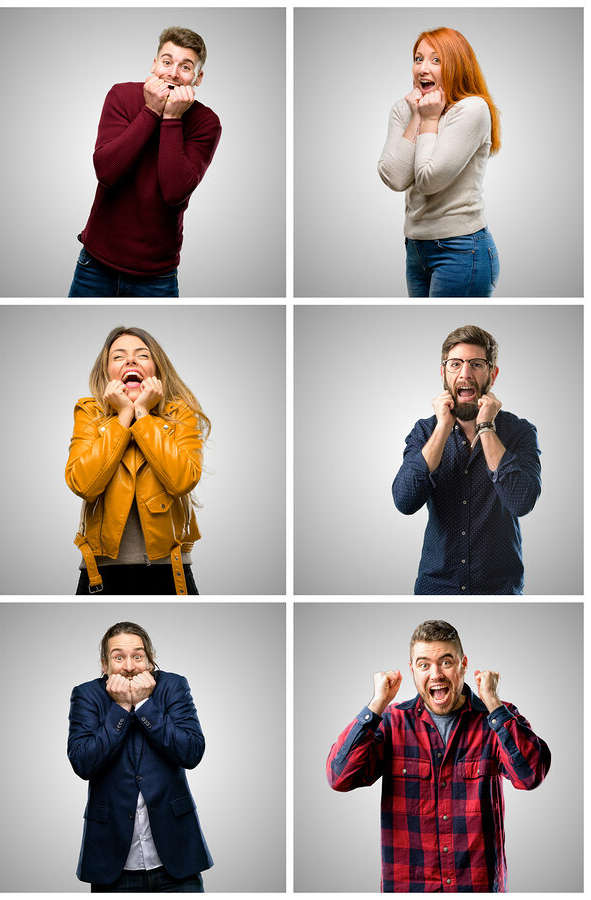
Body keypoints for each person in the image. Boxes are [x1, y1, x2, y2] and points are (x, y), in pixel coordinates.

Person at [327, 619, 550, 892]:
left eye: (446, 662)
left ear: (463, 664)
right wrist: (376, 704)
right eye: (424, 664)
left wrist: (493, 702)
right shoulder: (390, 722)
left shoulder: (497, 718)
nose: (436, 674)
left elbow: (530, 775)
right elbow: (339, 777)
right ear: (412, 670)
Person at [68, 26, 222, 297]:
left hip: (157, 275)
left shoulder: (206, 123)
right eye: (166, 62)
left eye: (185, 67)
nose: (173, 73)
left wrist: (172, 118)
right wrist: (151, 111)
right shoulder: (122, 96)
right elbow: (106, 171)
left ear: (198, 79)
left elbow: (174, 192)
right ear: (154, 65)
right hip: (95, 265)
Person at [392, 325, 540, 593]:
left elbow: (521, 501)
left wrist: (486, 429)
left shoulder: (520, 432)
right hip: (436, 588)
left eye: (476, 364)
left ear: (492, 374)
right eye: (455, 364)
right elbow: (404, 501)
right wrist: (442, 428)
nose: (465, 373)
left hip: (499, 592)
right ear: (442, 373)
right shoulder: (424, 432)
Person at [68, 622, 213, 891]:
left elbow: (192, 751)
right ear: (104, 665)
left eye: (137, 656)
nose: (129, 666)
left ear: (150, 660)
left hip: (176, 860)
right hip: (112, 863)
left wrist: (145, 705)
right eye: (118, 657)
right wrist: (122, 707)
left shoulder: (173, 686)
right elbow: (83, 762)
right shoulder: (86, 695)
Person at [65, 326, 209, 594]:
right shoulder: (89, 413)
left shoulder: (182, 415)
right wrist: (122, 417)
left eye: (142, 355)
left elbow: (182, 481)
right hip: (99, 573)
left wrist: (142, 413)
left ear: (157, 369)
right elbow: (83, 484)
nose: (130, 360)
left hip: (171, 570)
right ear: (106, 373)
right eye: (118, 357)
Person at [378, 28, 501, 297]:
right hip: (415, 247)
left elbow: (429, 180)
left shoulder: (472, 109)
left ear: (456, 65)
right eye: (418, 58)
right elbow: (395, 178)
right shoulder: (405, 108)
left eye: (436, 60)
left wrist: (431, 119)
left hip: (461, 248)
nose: (423, 68)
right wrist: (417, 117)